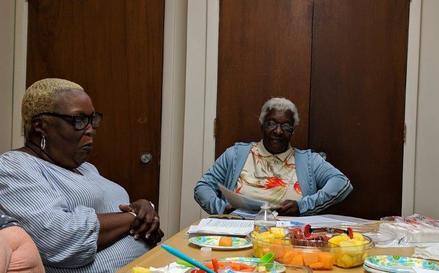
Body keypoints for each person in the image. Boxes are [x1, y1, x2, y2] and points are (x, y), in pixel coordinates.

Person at [0, 78, 163, 273]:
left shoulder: (86, 168)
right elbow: (58, 237)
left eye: (92, 120)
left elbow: (114, 211)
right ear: (40, 125)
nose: (91, 130)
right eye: (78, 120)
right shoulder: (13, 167)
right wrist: (134, 219)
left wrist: (144, 209)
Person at [194, 97, 353, 216]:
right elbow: (202, 187)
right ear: (261, 125)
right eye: (271, 123)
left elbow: (342, 183)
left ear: (293, 130)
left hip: (289, 238)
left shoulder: (309, 161)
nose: (278, 131)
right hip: (239, 233)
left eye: (285, 126)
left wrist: (303, 206)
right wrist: (221, 209)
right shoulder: (235, 154)